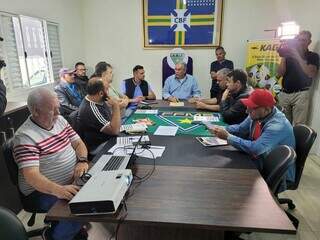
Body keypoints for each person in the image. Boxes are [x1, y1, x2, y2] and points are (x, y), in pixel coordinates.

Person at [13, 88, 89, 240]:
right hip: (40, 191)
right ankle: (54, 236)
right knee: (78, 208)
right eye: (53, 110)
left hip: (68, 180)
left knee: (95, 195)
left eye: (58, 107)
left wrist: (81, 161)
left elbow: (79, 143)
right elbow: (32, 176)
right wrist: (59, 190)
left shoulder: (59, 120)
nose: (58, 113)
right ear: (36, 111)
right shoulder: (25, 137)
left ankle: (68, 227)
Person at [210, 89, 295, 187]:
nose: (247, 111)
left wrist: (228, 137)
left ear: (266, 109)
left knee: (226, 178)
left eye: (252, 108)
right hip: (259, 159)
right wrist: (222, 128)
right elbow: (240, 128)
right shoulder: (257, 114)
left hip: (276, 173)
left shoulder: (277, 125)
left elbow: (256, 149)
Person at [277, 30, 319, 125]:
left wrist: (297, 56)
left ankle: (296, 141)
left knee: (299, 126)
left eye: (304, 40)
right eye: (299, 40)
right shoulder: (288, 56)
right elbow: (279, 73)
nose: (301, 42)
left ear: (309, 42)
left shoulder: (313, 56)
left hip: (301, 94)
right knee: (282, 125)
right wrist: (285, 55)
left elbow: (310, 73)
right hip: (284, 94)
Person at [78, 78, 121, 153]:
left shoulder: (98, 100)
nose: (108, 92)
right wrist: (116, 106)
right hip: (99, 146)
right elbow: (115, 131)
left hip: (109, 138)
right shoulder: (91, 109)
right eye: (107, 90)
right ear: (101, 93)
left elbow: (112, 120)